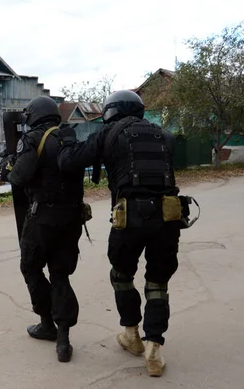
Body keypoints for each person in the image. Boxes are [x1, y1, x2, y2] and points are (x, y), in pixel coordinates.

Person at [57, 90, 182, 377]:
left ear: (111, 111)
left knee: (122, 276)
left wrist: (66, 139)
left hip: (131, 220)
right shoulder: (164, 135)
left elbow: (69, 161)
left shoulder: (110, 134)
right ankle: (154, 349)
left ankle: (131, 334)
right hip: (169, 218)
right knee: (158, 283)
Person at [0, 96, 86, 363]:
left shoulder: (33, 138)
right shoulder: (69, 137)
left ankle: (47, 323)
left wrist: (7, 167)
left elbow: (20, 175)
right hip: (72, 217)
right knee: (60, 274)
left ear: (34, 116)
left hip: (43, 218)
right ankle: (63, 340)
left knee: (31, 267)